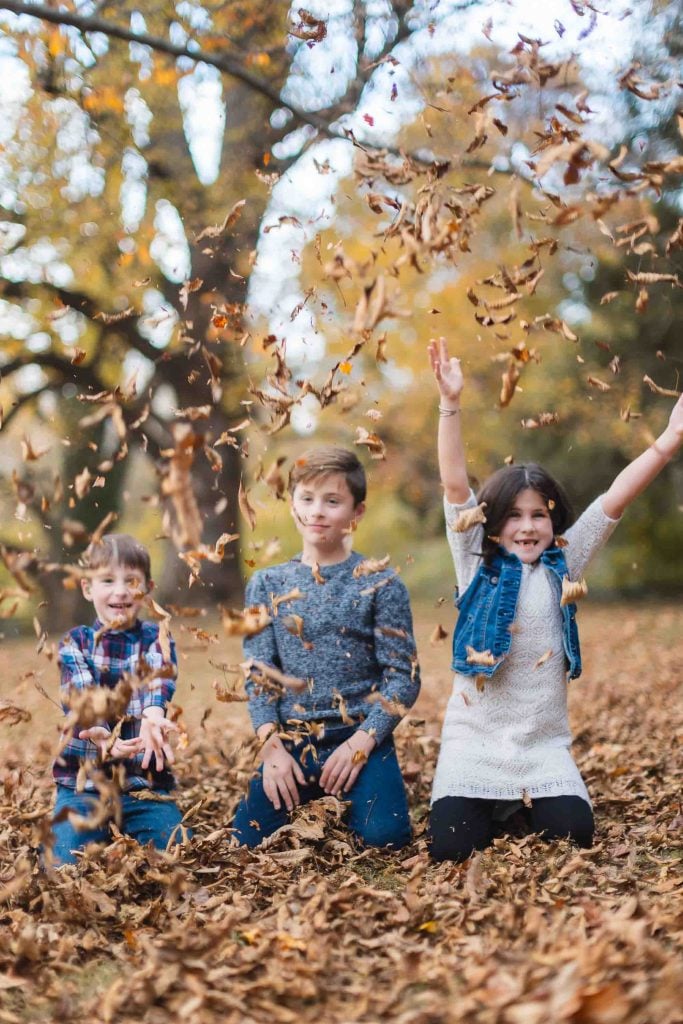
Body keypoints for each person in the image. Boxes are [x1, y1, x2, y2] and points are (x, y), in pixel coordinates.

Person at [428, 337, 683, 862]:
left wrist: (669, 439)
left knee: (572, 836)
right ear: (492, 524)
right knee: (453, 847)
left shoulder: (565, 561)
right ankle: (491, 805)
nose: (526, 526)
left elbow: (614, 499)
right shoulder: (476, 560)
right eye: (513, 516)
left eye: (538, 515)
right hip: (473, 743)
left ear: (553, 521)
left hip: (542, 747)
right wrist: (449, 405)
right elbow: (455, 483)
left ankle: (527, 803)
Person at [232, 446, 420, 849]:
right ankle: (308, 790)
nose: (317, 511)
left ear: (357, 512)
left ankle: (351, 787)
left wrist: (363, 741)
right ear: (293, 506)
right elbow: (259, 678)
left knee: (385, 840)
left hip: (359, 738)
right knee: (245, 840)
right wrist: (271, 750)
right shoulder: (266, 585)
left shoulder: (381, 584)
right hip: (291, 740)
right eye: (307, 499)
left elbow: (402, 678)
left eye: (332, 501)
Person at [50, 533, 186, 866]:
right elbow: (81, 691)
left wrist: (154, 712)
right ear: (87, 588)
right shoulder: (75, 643)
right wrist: (99, 730)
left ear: (147, 588)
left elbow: (159, 675)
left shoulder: (157, 637)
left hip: (143, 784)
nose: (121, 590)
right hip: (84, 783)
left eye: (131, 581)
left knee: (175, 854)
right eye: (107, 580)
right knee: (63, 862)